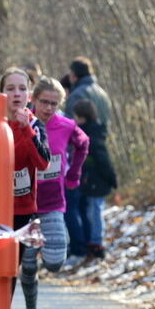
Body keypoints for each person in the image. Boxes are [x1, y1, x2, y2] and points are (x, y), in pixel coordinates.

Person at [19, 76, 89, 309]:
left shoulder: (67, 126)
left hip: (53, 203)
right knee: (27, 269)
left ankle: (41, 248)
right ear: (33, 100)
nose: (49, 108)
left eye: (54, 104)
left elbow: (84, 144)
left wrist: (73, 175)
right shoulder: (23, 123)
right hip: (25, 207)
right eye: (44, 102)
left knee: (55, 262)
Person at [0, 68, 50, 309]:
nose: (17, 94)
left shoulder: (34, 125)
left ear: (29, 94)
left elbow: (43, 162)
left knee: (9, 271)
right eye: (11, 88)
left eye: (22, 89)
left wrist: (26, 131)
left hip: (21, 211)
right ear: (1, 93)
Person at [63, 57, 111, 264]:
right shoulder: (102, 92)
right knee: (92, 203)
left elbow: (68, 126)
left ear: (74, 75)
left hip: (80, 155)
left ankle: (82, 247)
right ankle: (94, 244)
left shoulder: (77, 95)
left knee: (79, 204)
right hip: (99, 150)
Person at [73, 99, 117, 261]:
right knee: (91, 210)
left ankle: (96, 243)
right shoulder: (88, 132)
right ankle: (92, 242)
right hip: (90, 179)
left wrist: (111, 178)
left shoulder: (91, 135)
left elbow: (102, 159)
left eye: (77, 117)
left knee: (95, 210)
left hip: (96, 180)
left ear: (83, 117)